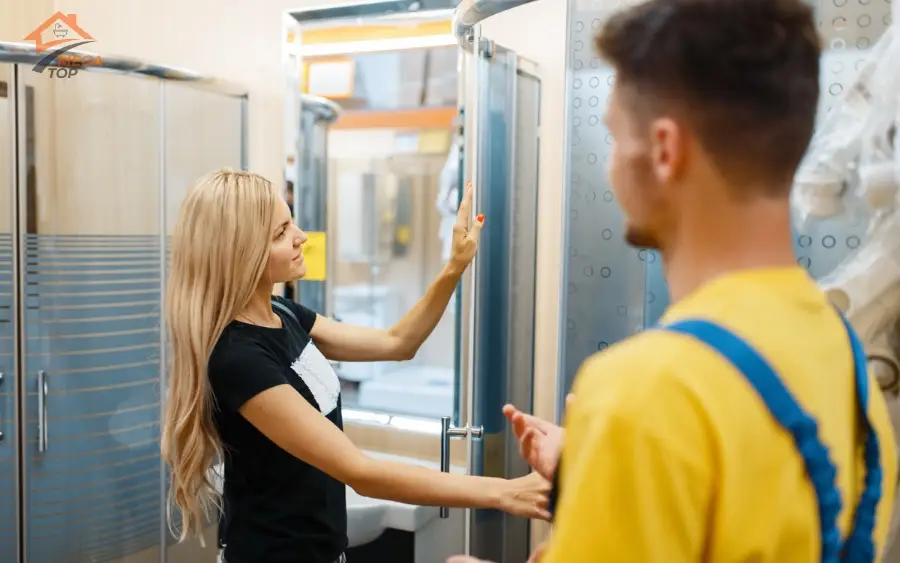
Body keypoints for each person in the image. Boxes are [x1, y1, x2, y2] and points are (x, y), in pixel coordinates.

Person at [454, 0, 899, 561]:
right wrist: (596, 469)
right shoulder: (850, 358)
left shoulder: (644, 392)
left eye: (615, 137)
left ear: (665, 150)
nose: (612, 165)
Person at [160, 170, 550, 563]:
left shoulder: (283, 313)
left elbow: (398, 343)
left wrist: (455, 266)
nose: (301, 237)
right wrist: (505, 492)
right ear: (240, 253)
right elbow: (360, 472)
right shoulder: (238, 357)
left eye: (291, 220)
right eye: (280, 233)